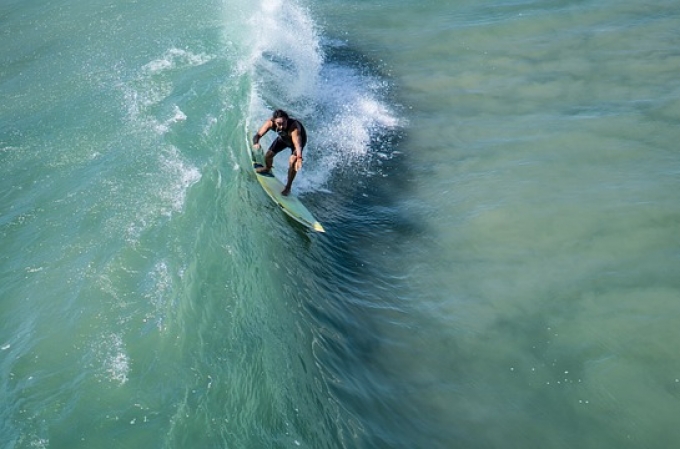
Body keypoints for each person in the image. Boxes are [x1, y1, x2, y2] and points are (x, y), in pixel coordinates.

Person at [252, 109, 307, 196]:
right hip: (283, 139)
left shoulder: (294, 127)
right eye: (279, 124)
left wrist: (299, 157)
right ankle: (268, 168)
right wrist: (256, 143)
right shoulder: (270, 123)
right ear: (274, 121)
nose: (281, 127)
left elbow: (298, 145)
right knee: (268, 156)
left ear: (287, 120)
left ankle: (288, 187)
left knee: (292, 161)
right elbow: (258, 135)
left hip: (297, 143)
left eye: (283, 123)